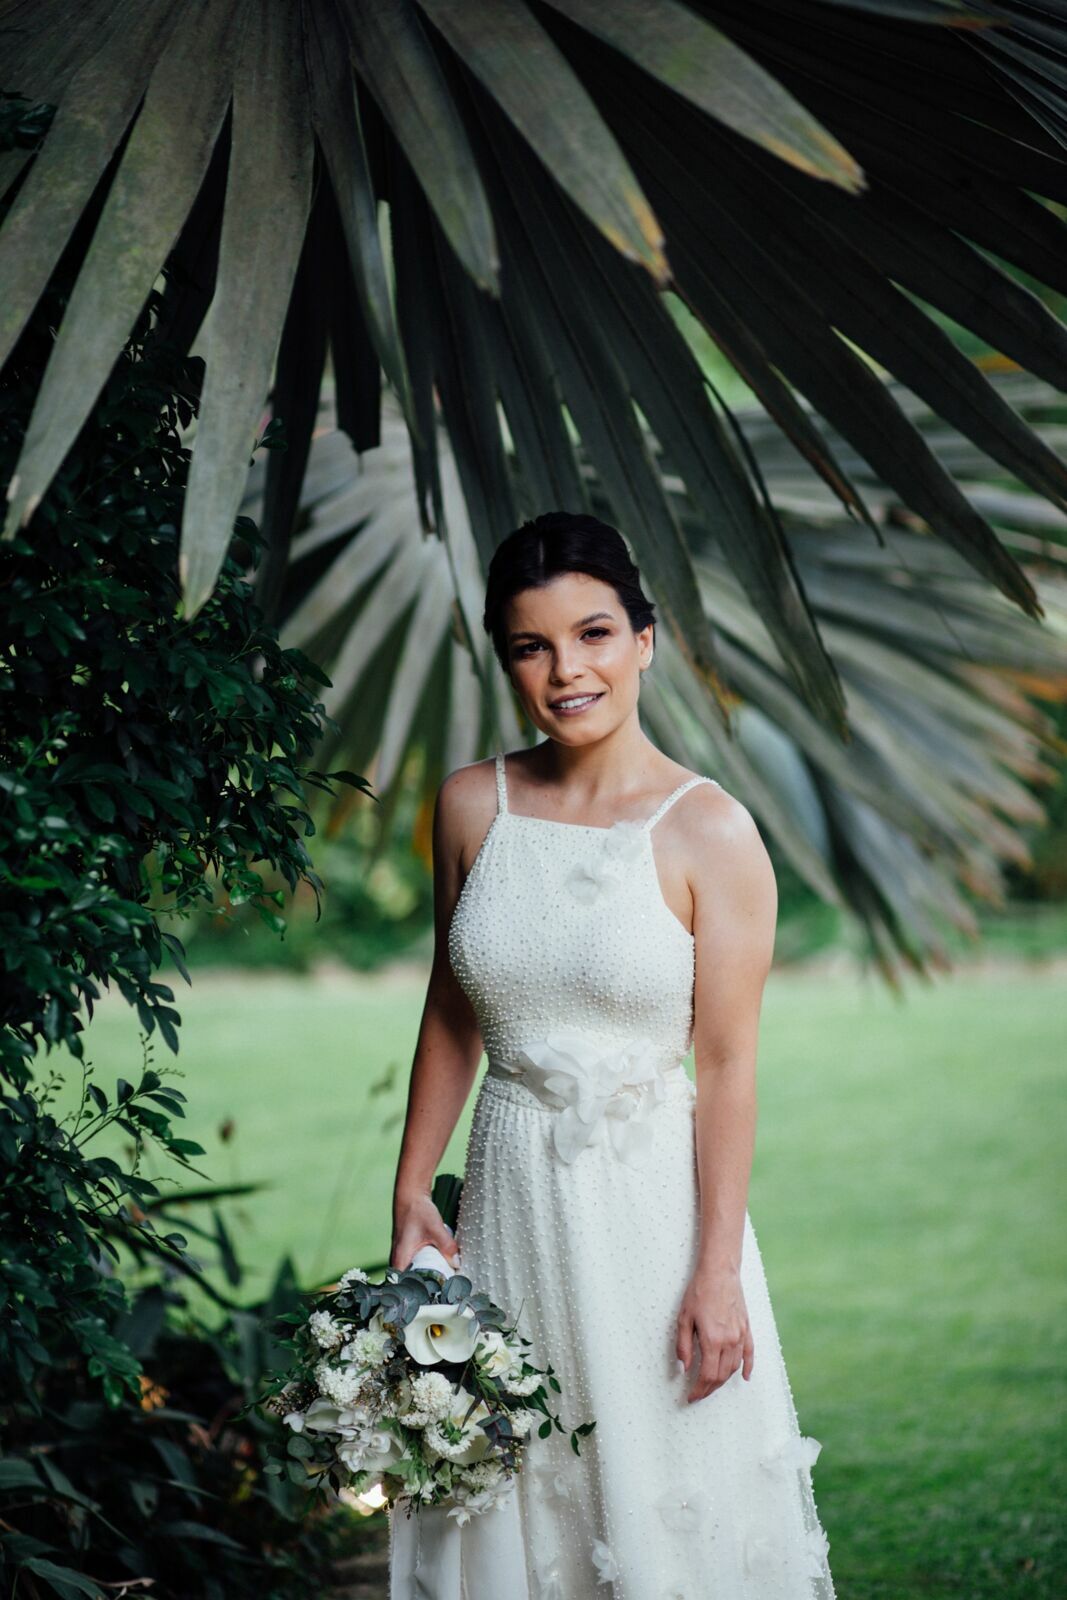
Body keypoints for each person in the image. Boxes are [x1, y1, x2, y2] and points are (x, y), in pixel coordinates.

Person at [388, 511, 835, 1597]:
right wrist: (410, 1188)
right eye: (530, 646)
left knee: (660, 1500)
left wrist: (715, 1273)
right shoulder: (471, 804)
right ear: (506, 661)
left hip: (649, 1221)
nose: (565, 671)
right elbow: (451, 1007)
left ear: (643, 639)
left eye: (591, 634)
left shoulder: (710, 832)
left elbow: (727, 1067)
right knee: (515, 1486)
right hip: (506, 1203)